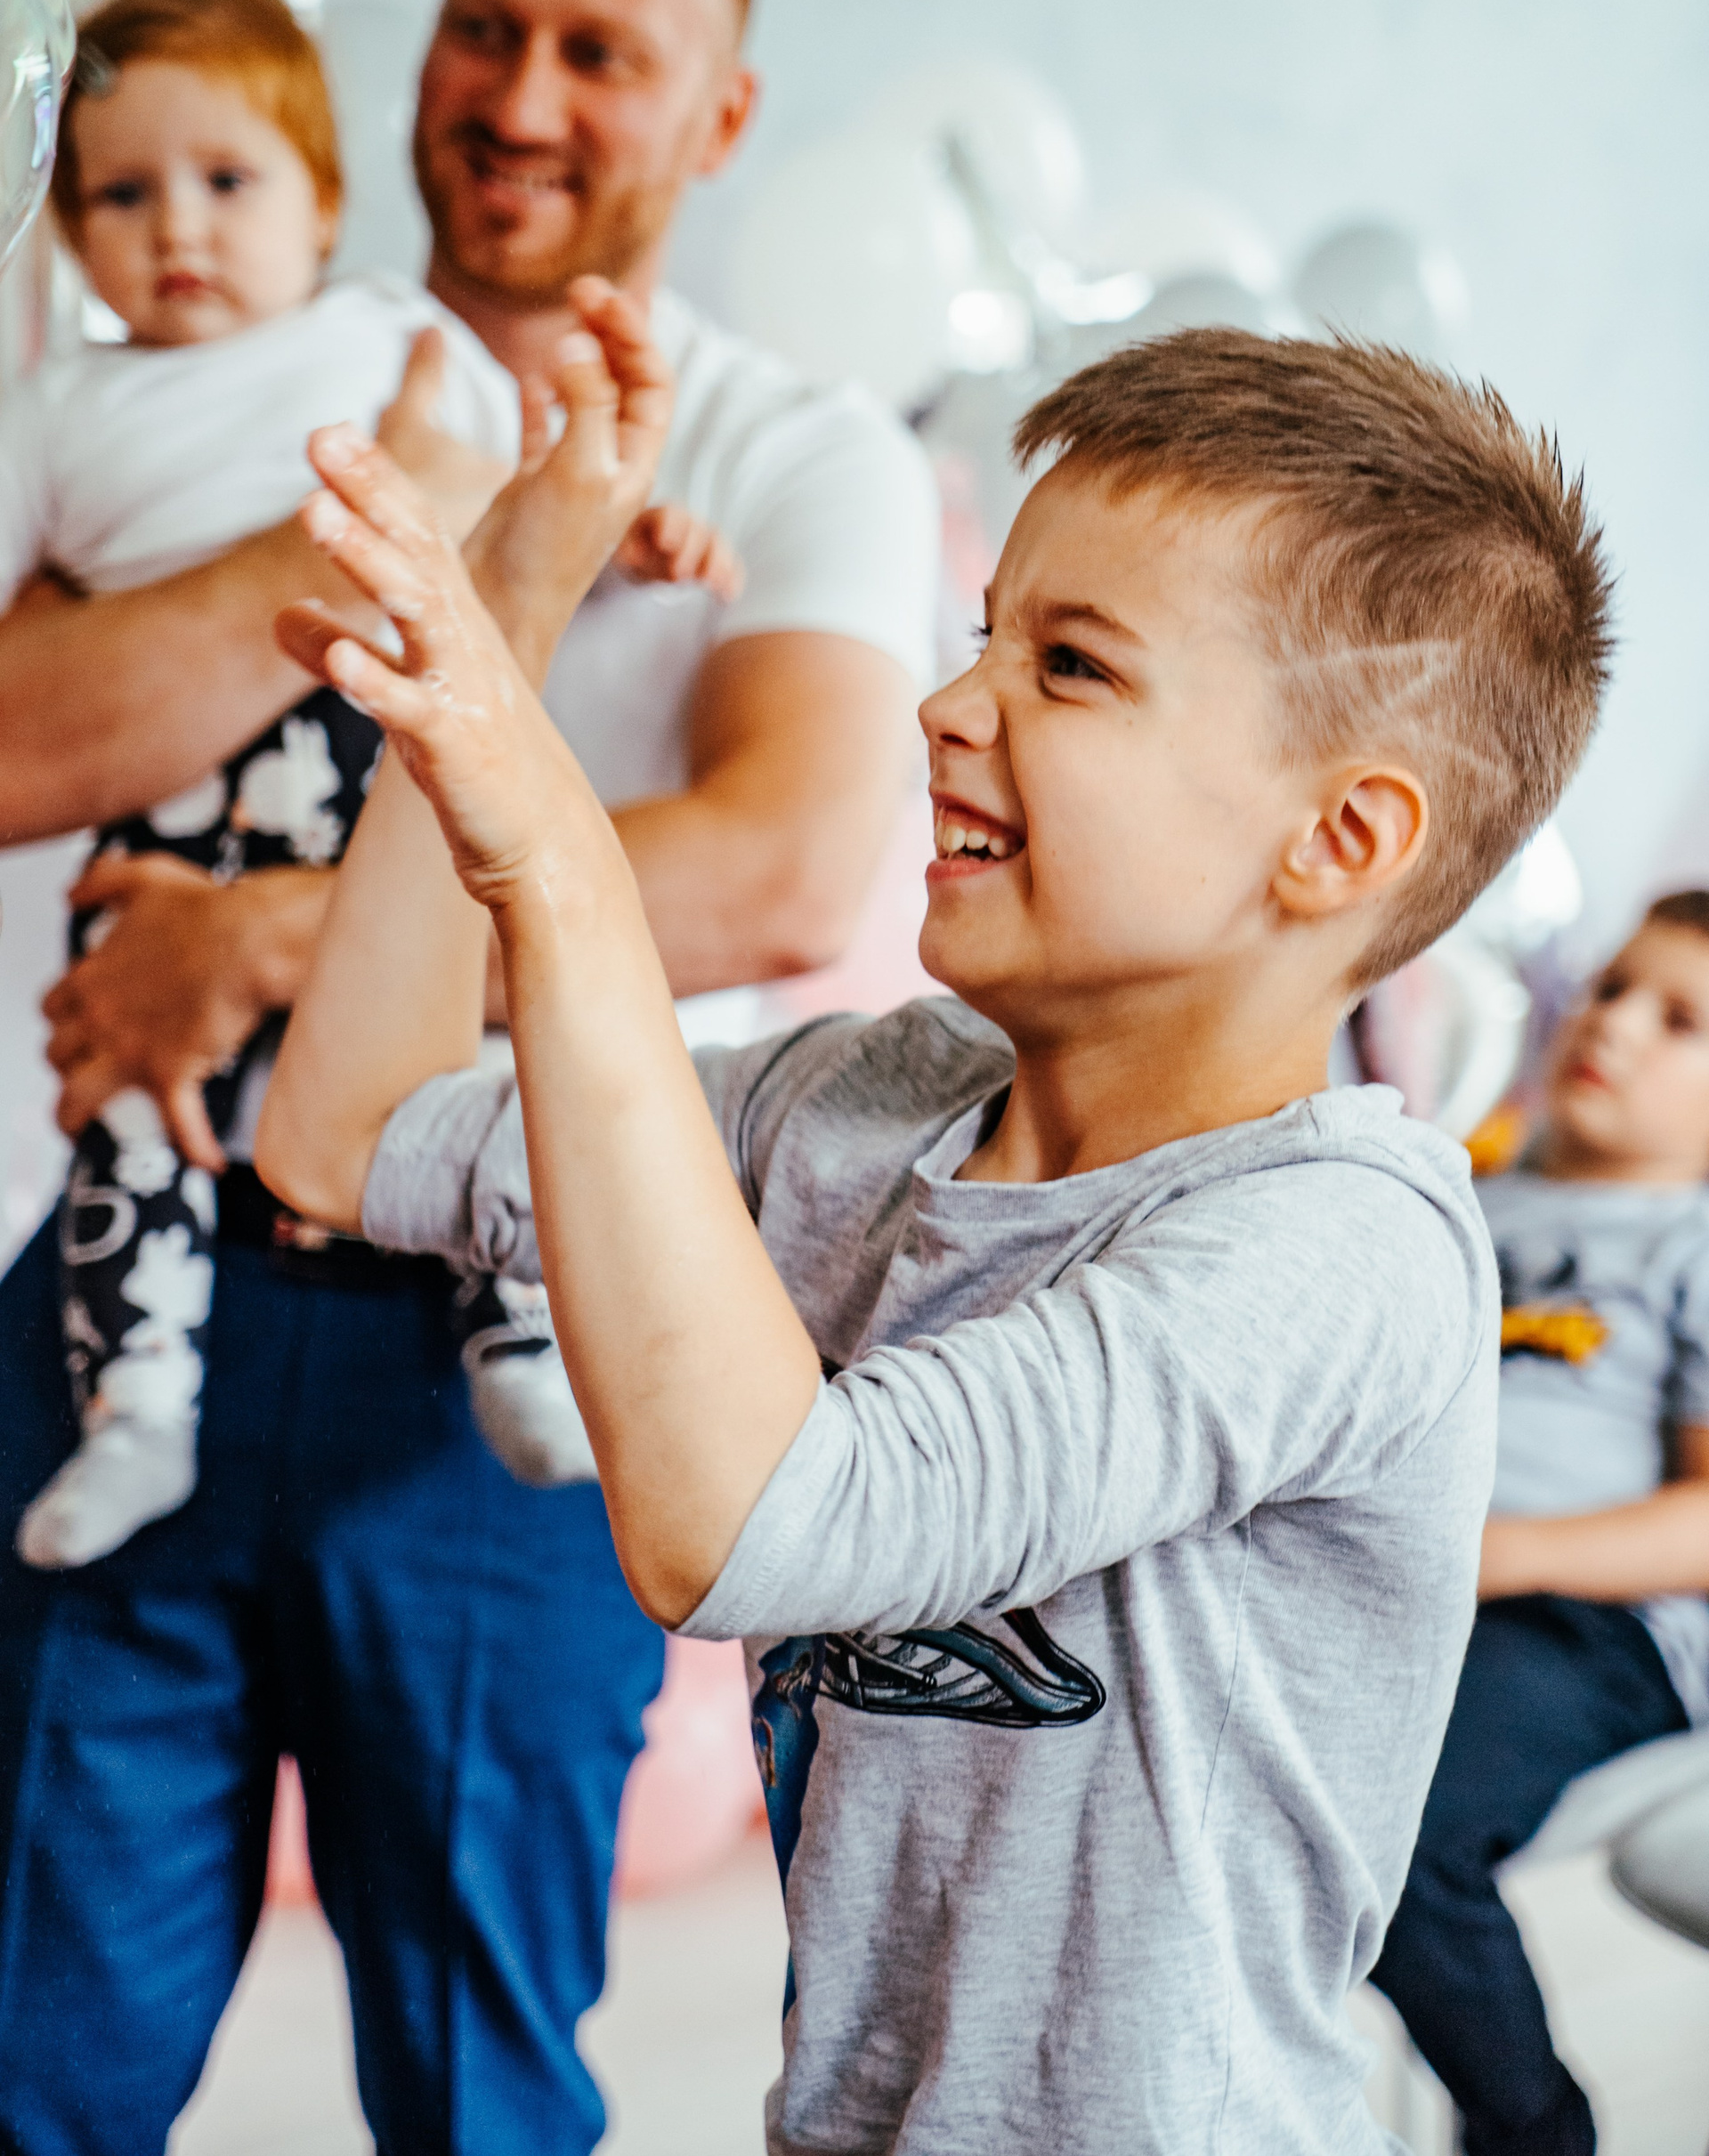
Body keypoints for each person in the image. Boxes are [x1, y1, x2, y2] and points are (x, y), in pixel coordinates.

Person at [257, 325, 1611, 2153]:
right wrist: (494, 619)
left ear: (1339, 839)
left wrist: (564, 869)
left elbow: (757, 1524)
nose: (948, 703)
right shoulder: (870, 1100)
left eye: (1071, 664)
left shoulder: (1349, 1249)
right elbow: (345, 1132)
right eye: (984, 633)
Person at [0, 0, 937, 2155]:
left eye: (600, 55)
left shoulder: (785, 448)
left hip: (519, 1335)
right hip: (139, 1295)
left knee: (476, 2084)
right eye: (484, 29)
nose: (520, 100)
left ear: (721, 114)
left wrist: (269, 943)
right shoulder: (223, 371)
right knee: (38, 2054)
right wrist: (414, 499)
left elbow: (791, 862)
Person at [4, 0, 741, 1569]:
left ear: (325, 204)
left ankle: (518, 1336)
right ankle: (135, 1402)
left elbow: (522, 500)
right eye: (121, 195)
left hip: (376, 768)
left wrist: (639, 538)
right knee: (134, 1086)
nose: (178, 228)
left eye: (227, 180)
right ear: (64, 227)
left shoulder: (389, 340)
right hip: (171, 824)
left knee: (450, 1061)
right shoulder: (56, 411)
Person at [1370, 894, 1709, 2156]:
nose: (1613, 1024)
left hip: (1590, 1627)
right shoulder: (1464, 1196)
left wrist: (1500, 1555)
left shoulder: (1689, 1242)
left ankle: (1536, 2133)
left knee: (1395, 1825)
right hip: (1406, 1586)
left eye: (1680, 1020)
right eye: (1614, 988)